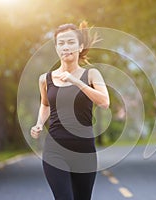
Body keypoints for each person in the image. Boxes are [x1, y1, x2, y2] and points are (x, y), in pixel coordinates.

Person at [30, 21, 110, 200]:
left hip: (84, 151)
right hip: (55, 149)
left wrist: (77, 82)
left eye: (71, 42)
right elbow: (46, 105)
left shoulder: (91, 75)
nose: (66, 47)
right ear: (56, 48)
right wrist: (39, 123)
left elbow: (104, 102)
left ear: (80, 46)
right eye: (61, 43)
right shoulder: (45, 79)